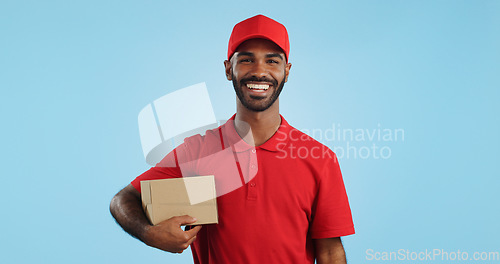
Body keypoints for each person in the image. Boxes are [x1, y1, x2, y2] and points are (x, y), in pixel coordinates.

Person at [110, 14, 355, 264]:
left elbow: (329, 251)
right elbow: (123, 200)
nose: (259, 71)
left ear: (287, 71)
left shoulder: (320, 159)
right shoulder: (197, 150)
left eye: (272, 61)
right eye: (247, 59)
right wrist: (150, 233)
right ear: (229, 69)